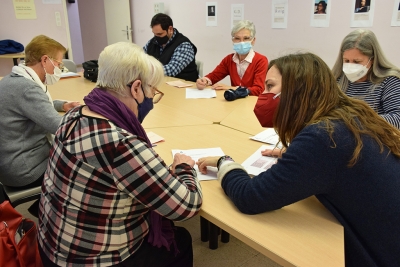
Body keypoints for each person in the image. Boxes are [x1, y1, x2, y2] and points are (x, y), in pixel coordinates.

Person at [197, 53, 400, 266]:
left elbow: (250, 197)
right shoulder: (348, 117)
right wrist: (296, 154)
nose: (263, 94)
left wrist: (225, 162)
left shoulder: (323, 137)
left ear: (297, 91)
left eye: (270, 86)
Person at [38, 42, 202, 267]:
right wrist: (184, 168)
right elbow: (187, 206)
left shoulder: (74, 115)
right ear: (136, 89)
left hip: (52, 246)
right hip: (88, 260)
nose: (151, 100)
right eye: (152, 92)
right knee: (181, 239)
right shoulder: (120, 145)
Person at [0, 35, 79, 190]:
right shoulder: (27, 89)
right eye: (58, 64)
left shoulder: (12, 79)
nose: (59, 69)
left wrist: (61, 105)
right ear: (44, 60)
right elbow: (60, 128)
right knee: (82, 165)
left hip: (9, 163)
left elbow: (29, 106)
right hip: (26, 170)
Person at [332, 29, 400, 129]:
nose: (350, 66)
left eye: (357, 61)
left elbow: (397, 119)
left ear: (372, 60)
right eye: (346, 60)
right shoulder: (336, 79)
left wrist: (355, 121)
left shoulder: (389, 81)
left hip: (374, 141)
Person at [196, 20, 268, 96]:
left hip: (252, 103)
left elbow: (258, 89)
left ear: (253, 41)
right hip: (235, 102)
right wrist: (204, 81)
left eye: (246, 38)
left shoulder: (261, 60)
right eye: (237, 38)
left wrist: (231, 89)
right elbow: (214, 76)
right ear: (233, 40)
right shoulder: (229, 59)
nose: (242, 42)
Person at [144, 13, 198, 82]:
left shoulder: (184, 45)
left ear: (170, 29)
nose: (156, 37)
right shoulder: (152, 42)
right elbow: (141, 58)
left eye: (159, 34)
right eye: (154, 34)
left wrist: (145, 71)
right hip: (161, 83)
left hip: (183, 87)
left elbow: (171, 70)